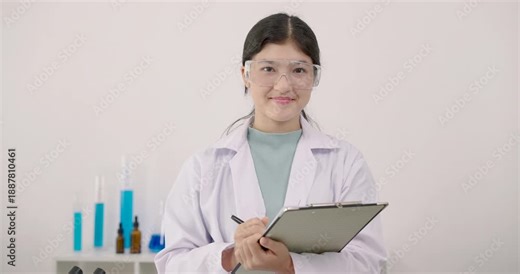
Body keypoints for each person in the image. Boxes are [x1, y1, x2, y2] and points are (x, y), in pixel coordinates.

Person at [154, 13, 387, 273]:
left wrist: (290, 265)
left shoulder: (345, 162)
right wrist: (232, 255)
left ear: (314, 77)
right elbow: (172, 263)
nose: (283, 85)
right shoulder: (203, 166)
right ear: (245, 75)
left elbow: (367, 262)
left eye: (299, 70)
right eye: (268, 69)